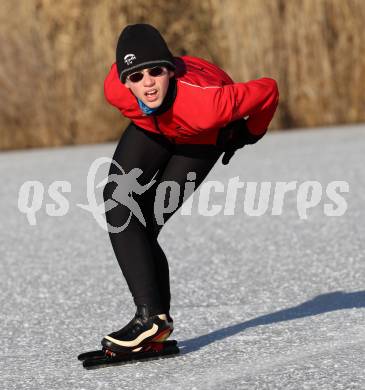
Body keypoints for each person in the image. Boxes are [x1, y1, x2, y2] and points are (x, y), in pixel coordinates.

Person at [101, 23, 279, 353]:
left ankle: (150, 321)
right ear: (124, 81)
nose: (147, 83)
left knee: (148, 220)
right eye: (136, 77)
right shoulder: (115, 89)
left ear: (169, 70)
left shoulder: (209, 104)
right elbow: (136, 86)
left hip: (200, 135)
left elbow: (268, 89)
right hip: (152, 126)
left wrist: (249, 132)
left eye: (155, 71)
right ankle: (154, 324)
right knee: (118, 206)